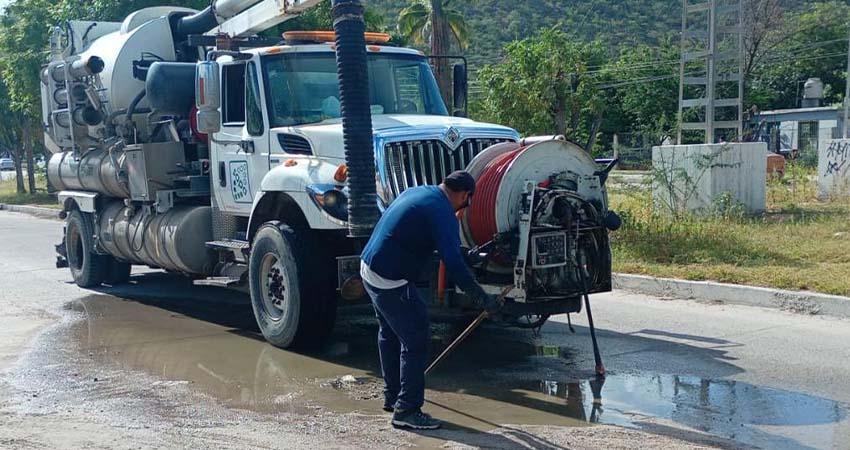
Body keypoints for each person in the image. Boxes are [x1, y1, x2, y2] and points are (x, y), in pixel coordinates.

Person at [360, 171, 501, 430]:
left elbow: (427, 239)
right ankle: (407, 410)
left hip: (369, 266)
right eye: (467, 202)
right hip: (390, 279)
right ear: (464, 195)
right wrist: (482, 297)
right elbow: (453, 265)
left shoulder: (420, 193)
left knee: (390, 333)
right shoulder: (442, 212)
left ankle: (393, 397)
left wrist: (466, 255)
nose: (465, 208)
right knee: (416, 338)